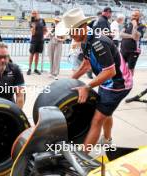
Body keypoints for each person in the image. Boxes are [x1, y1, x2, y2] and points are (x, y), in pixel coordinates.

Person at [56, 8, 133, 152]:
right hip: (107, 81)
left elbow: (110, 71)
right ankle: (108, 140)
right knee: (106, 112)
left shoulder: (98, 42)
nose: (71, 36)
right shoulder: (85, 41)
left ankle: (83, 158)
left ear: (83, 27)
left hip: (118, 84)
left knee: (97, 120)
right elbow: (86, 65)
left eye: (73, 32)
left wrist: (87, 87)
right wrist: (68, 81)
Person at [120, 10, 145, 75]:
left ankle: (129, 83)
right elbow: (121, 34)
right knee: (121, 67)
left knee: (130, 68)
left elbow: (136, 37)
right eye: (132, 15)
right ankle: (122, 82)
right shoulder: (127, 24)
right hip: (123, 50)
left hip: (133, 51)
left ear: (139, 17)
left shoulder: (142, 26)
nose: (133, 17)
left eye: (135, 16)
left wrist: (135, 26)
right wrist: (131, 36)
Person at [27, 10, 47, 75]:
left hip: (40, 40)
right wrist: (33, 27)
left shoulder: (42, 20)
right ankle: (29, 68)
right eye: (32, 13)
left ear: (38, 13)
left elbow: (45, 29)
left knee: (37, 55)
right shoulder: (31, 22)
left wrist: (44, 34)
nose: (34, 14)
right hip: (34, 40)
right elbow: (32, 33)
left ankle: (35, 69)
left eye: (35, 13)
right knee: (31, 54)